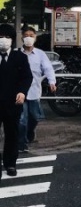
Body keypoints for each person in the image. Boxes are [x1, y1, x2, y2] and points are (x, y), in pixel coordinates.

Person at [0, 23, 32, 180]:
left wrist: (22, 91)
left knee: (12, 133)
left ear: (12, 40)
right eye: (1, 37)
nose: (4, 40)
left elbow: (27, 77)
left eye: (7, 37)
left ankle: (10, 163)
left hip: (13, 102)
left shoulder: (19, 57)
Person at [19, 26, 57, 154]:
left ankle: (30, 133)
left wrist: (52, 82)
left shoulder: (40, 54)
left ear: (35, 38)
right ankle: (22, 143)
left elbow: (48, 68)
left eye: (31, 35)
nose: (28, 38)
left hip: (34, 90)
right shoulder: (16, 54)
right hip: (19, 92)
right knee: (21, 119)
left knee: (34, 117)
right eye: (26, 35)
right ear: (22, 37)